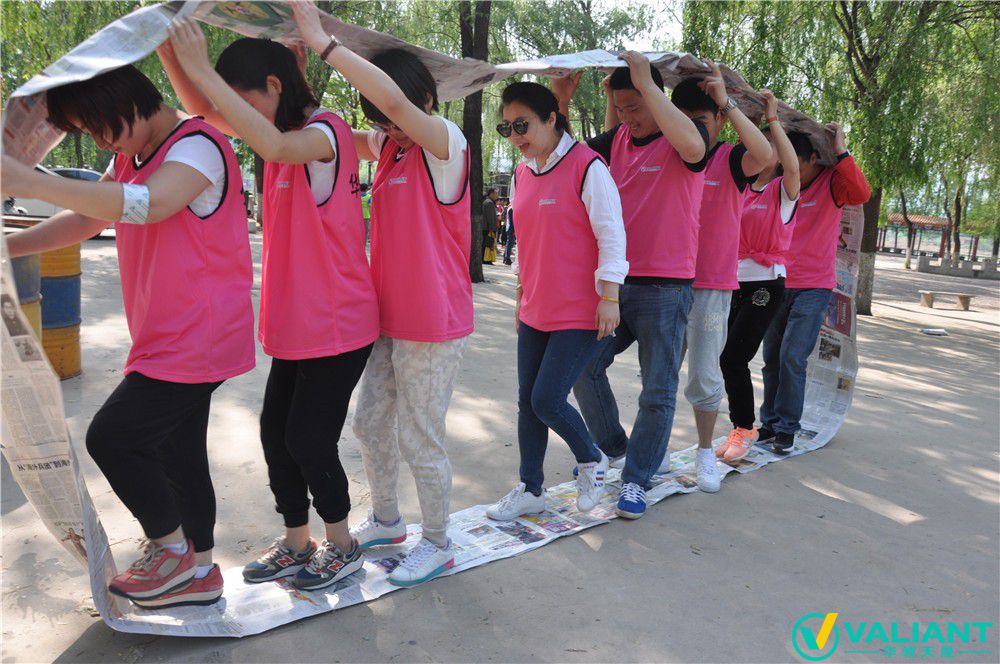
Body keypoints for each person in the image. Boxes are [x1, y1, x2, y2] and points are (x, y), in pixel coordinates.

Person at [2, 64, 255, 607]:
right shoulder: (131, 155)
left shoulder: (198, 146)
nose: (100, 142)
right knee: (180, 456)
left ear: (125, 100)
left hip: (200, 337)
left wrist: (30, 181)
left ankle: (171, 551)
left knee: (113, 438)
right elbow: (88, 220)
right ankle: (201, 573)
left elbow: (149, 204)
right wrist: (9, 248)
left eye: (99, 128)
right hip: (165, 335)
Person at [158, 19, 380, 591]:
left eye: (246, 101)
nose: (238, 116)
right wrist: (168, 48)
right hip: (295, 324)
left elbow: (277, 143)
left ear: (275, 87)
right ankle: (297, 542)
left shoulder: (325, 134)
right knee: (275, 435)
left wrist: (202, 68)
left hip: (339, 323)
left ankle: (343, 547)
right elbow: (204, 112)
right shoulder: (276, 134)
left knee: (309, 439)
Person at [294, 3, 472, 587]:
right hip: (387, 320)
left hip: (433, 323)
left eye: (395, 119)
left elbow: (396, 106)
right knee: (370, 424)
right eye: (383, 124)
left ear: (426, 100)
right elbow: (331, 133)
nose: (390, 129)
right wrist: (297, 76)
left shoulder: (446, 143)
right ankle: (389, 523)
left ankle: (438, 543)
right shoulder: (392, 147)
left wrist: (325, 44)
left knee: (421, 437)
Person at [556, 52, 709, 519]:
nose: (627, 118)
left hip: (667, 287)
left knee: (657, 390)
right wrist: (561, 101)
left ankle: (638, 479)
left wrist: (648, 85)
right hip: (617, 285)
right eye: (620, 108)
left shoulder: (686, 136)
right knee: (583, 367)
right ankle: (619, 450)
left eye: (635, 107)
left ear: (654, 97)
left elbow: (695, 148)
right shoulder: (616, 141)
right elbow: (567, 157)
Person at [484, 81, 626, 521]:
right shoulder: (523, 173)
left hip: (579, 311)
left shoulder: (588, 167)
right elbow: (526, 241)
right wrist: (520, 294)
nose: (515, 136)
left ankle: (592, 458)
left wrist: (610, 296)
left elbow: (612, 235)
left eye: (522, 125)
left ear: (551, 119)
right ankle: (531, 488)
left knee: (547, 399)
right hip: (535, 308)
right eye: (507, 127)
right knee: (527, 401)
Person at [671, 63, 773, 491]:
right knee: (660, 374)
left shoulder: (730, 158)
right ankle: (650, 452)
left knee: (704, 376)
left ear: (718, 121)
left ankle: (703, 453)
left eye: (702, 120)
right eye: (684, 121)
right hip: (667, 281)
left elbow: (765, 157)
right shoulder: (671, 154)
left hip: (711, 287)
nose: (694, 130)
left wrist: (726, 103)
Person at [755, 121, 870, 454]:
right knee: (771, 358)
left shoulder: (831, 183)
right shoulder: (780, 184)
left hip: (813, 288)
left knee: (792, 357)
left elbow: (861, 193)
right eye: (785, 164)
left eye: (797, 165)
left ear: (813, 158)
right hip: (776, 282)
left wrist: (841, 150)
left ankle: (787, 428)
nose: (791, 172)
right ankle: (770, 422)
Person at [717, 90, 801, 461]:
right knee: (724, 357)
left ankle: (744, 427)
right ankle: (741, 426)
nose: (763, 151)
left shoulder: (783, 192)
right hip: (732, 281)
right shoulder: (741, 189)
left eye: (771, 146)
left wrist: (772, 120)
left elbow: (794, 168)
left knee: (734, 358)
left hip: (766, 284)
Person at [483, 187, 499, 264]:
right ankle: (486, 259)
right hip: (488, 228)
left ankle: (486, 259)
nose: (497, 195)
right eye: (496, 193)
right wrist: (493, 228)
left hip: (486, 227)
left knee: (486, 244)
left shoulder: (488, 201)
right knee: (488, 244)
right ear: (491, 194)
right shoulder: (489, 203)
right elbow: (491, 218)